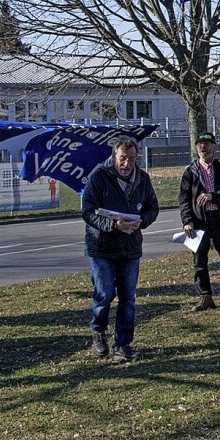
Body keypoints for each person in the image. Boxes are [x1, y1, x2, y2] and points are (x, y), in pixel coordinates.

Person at [82, 136, 159, 362]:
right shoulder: (99, 177)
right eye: (123, 159)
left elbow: (152, 207)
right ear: (114, 156)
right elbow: (87, 211)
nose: (127, 164)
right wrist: (112, 225)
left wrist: (141, 221)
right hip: (102, 247)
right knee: (105, 292)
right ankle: (98, 330)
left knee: (128, 298)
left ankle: (122, 345)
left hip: (129, 247)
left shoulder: (142, 179)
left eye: (132, 159)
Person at [179, 130, 220, 312]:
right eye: (200, 144)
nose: (203, 147)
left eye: (207, 144)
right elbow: (183, 199)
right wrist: (187, 221)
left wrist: (213, 196)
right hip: (198, 222)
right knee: (199, 260)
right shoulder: (190, 172)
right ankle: (205, 296)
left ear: (214, 147)